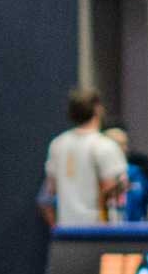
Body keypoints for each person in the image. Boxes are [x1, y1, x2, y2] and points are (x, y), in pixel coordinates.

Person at [42, 88, 128, 227]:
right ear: (98, 109)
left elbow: (51, 189)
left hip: (67, 229)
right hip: (98, 231)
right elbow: (111, 191)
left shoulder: (57, 145)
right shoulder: (105, 146)